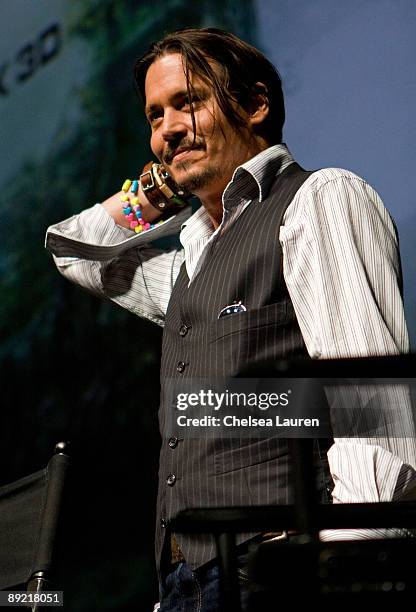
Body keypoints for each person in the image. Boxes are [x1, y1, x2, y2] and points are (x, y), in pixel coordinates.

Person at [46, 28, 415, 611]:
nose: (165, 128)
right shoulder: (192, 257)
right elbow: (75, 249)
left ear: (256, 105)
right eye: (154, 115)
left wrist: (343, 569)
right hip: (187, 585)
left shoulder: (320, 199)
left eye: (187, 103)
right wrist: (159, 185)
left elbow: (372, 409)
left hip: (282, 567)